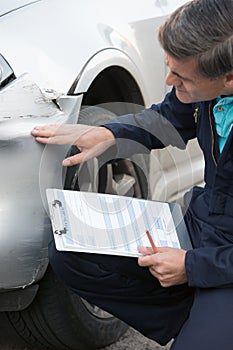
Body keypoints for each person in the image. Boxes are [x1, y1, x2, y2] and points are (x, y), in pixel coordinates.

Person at [31, 0, 233, 348]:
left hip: (224, 256)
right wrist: (109, 134)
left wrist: (193, 267)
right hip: (208, 224)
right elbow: (170, 116)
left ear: (228, 77)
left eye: (181, 77)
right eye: (169, 68)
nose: (169, 81)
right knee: (71, 252)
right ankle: (202, 319)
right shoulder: (211, 80)